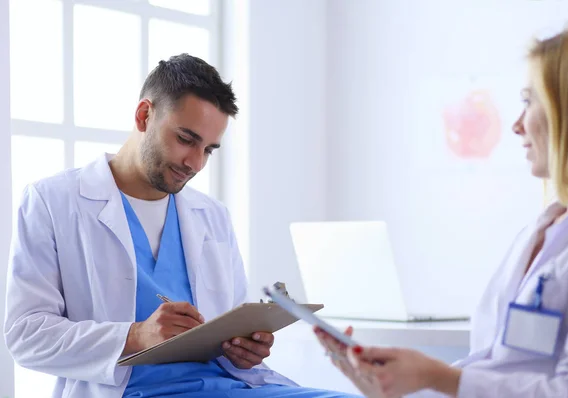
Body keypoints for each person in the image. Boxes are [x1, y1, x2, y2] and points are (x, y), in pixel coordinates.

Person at [4, 54, 358, 398]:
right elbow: (25, 336)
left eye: (209, 149)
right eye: (186, 139)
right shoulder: (53, 201)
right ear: (144, 115)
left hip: (229, 385)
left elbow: (228, 324)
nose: (195, 163)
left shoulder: (212, 215)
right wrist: (136, 335)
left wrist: (243, 350)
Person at [315, 19, 568, 398]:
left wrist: (438, 377)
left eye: (529, 101)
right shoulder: (546, 226)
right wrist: (401, 381)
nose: (516, 125)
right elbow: (492, 362)